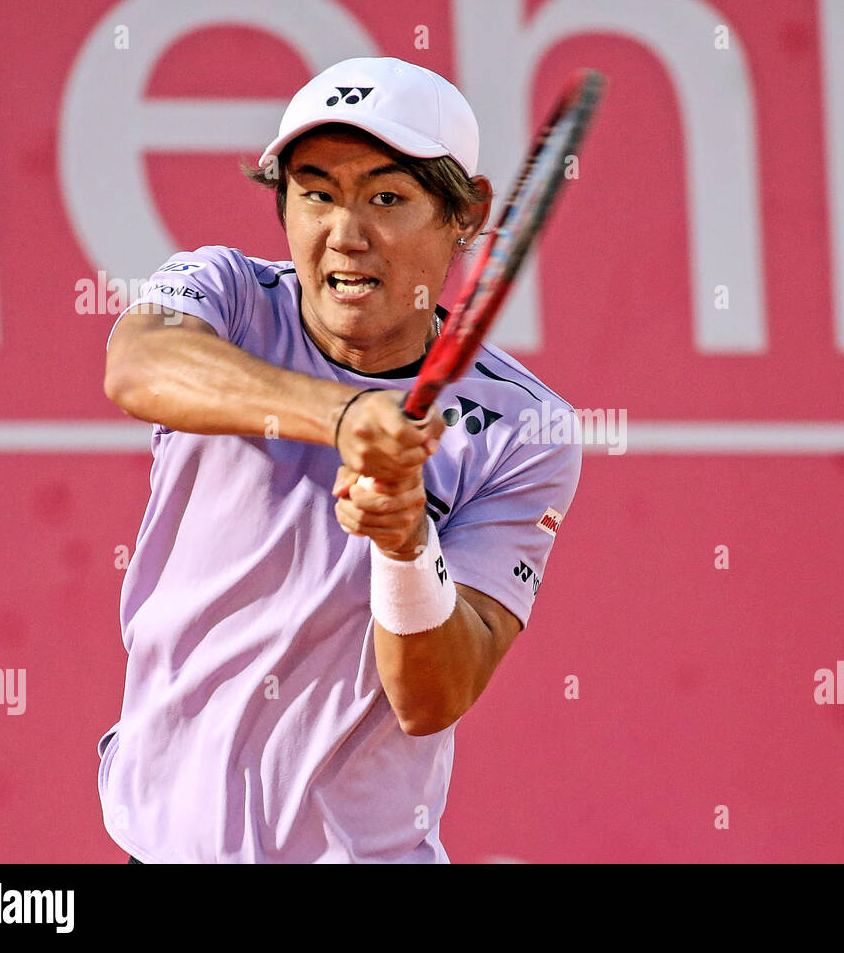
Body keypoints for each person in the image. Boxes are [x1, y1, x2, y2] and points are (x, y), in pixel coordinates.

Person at [96, 57, 581, 863]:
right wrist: (347, 417)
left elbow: (434, 698)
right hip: (156, 843)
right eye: (316, 192)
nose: (344, 234)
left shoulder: (523, 426)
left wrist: (404, 543)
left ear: (467, 214)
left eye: (386, 198)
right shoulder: (223, 294)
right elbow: (137, 367)